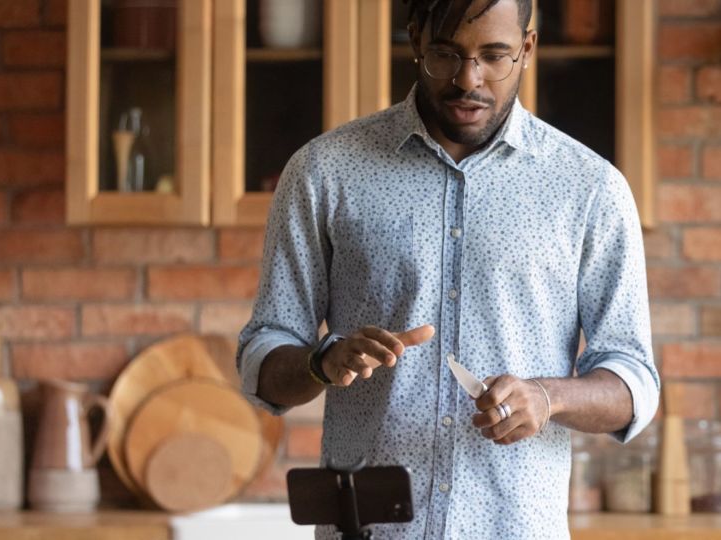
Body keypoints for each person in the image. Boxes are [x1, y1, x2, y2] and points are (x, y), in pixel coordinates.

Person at [237, 0, 659, 537]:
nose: (468, 79)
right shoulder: (325, 171)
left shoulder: (590, 189)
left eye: (494, 55)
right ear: (414, 41)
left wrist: (549, 398)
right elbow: (261, 357)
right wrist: (324, 361)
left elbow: (634, 384)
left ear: (527, 49)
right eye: (446, 55)